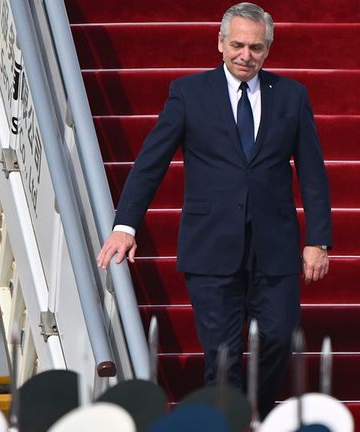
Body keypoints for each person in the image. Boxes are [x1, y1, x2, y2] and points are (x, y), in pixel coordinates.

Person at [96, 2, 332, 417]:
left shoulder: (292, 97)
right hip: (211, 249)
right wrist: (126, 225)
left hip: (274, 249)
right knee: (222, 356)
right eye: (238, 45)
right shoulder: (189, 93)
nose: (246, 55)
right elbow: (151, 161)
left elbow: (313, 174)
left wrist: (318, 240)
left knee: (278, 337)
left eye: (256, 47)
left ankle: (252, 416)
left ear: (268, 50)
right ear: (220, 43)